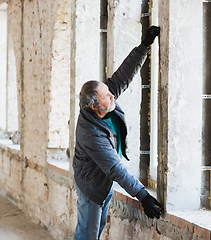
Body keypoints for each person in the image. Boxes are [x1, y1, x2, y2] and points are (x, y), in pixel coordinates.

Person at [73, 26, 163, 240]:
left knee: (95, 229)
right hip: (92, 186)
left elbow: (123, 76)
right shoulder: (91, 133)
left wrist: (144, 47)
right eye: (107, 95)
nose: (112, 96)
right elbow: (114, 168)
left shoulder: (104, 102)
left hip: (102, 180)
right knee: (87, 234)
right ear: (95, 106)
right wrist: (143, 195)